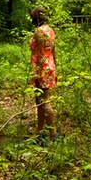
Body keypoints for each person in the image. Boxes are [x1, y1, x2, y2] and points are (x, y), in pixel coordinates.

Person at [28, 7, 57, 139]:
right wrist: (55, 69)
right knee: (39, 100)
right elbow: (53, 52)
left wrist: (35, 73)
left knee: (44, 101)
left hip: (42, 68)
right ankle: (40, 131)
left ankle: (53, 133)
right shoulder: (51, 31)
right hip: (50, 65)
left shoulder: (39, 31)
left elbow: (40, 54)